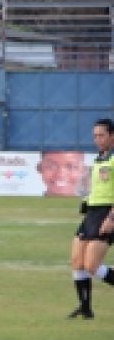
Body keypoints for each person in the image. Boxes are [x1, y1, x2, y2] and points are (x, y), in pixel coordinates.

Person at [67, 118, 114, 319]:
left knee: (92, 266)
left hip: (107, 214)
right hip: (93, 212)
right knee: (77, 262)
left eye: (101, 135)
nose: (97, 139)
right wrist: (87, 199)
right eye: (95, 135)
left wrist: (111, 218)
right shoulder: (100, 158)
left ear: (112, 135)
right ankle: (85, 308)